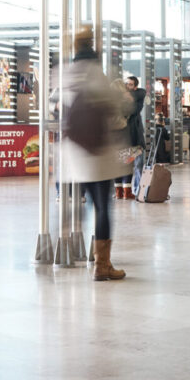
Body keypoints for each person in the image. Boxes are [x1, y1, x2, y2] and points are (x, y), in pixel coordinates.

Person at [60, 27, 127, 280]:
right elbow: (117, 104)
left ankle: (68, 241)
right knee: (102, 207)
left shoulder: (66, 74)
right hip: (98, 154)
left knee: (80, 203)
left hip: (73, 153)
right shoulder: (96, 73)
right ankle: (102, 265)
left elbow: (58, 106)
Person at [123, 75, 146, 199]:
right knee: (124, 165)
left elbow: (133, 110)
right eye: (126, 84)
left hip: (135, 137)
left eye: (130, 84)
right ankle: (123, 191)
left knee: (138, 165)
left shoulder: (139, 95)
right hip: (123, 137)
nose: (127, 86)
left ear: (135, 87)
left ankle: (138, 191)